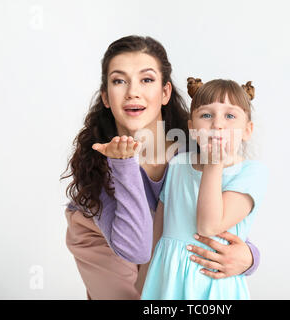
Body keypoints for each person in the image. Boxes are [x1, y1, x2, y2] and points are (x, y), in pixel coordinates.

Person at [60, 35, 262, 300]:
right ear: (106, 97)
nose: (133, 91)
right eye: (119, 81)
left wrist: (248, 256)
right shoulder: (97, 172)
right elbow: (137, 250)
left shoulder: (193, 153)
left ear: (165, 92)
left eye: (146, 79)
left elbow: (217, 221)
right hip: (107, 240)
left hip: (170, 252)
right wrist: (123, 164)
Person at [140, 79, 269, 299]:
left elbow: (209, 226)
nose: (217, 124)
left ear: (247, 130)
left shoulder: (250, 173)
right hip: (168, 283)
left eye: (230, 116)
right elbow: (158, 234)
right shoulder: (178, 165)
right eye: (207, 115)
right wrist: (144, 285)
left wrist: (214, 164)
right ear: (192, 128)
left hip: (213, 287)